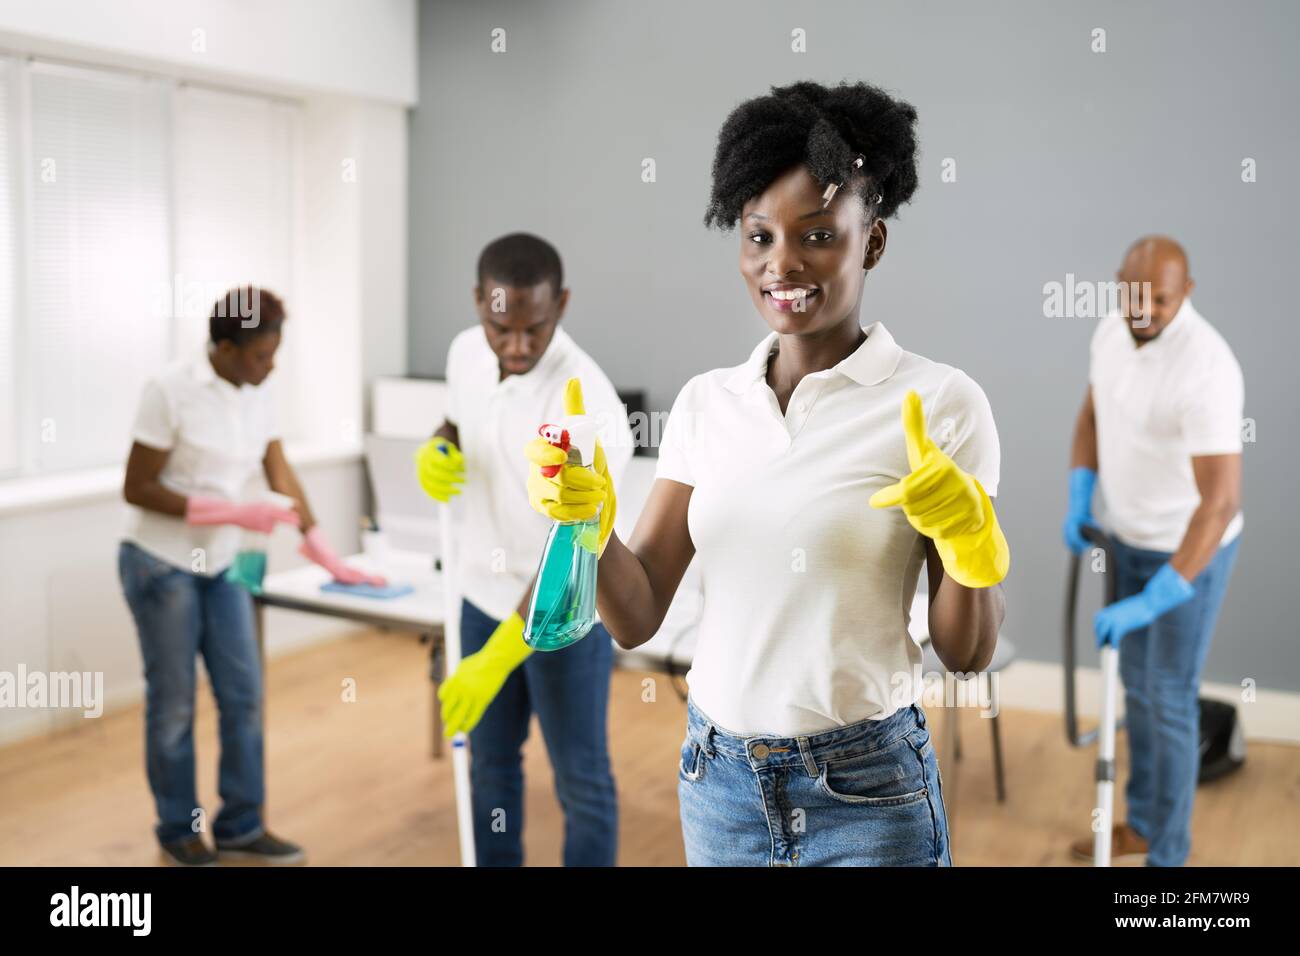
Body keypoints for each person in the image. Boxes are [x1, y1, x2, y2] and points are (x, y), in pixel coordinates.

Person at [525, 81, 1010, 867]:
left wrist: (968, 542)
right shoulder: (705, 404)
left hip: (867, 790)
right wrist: (588, 527)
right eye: (758, 237)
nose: (782, 263)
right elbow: (637, 612)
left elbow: (967, 653)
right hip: (719, 787)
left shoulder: (941, 402)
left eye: (817, 235)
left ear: (872, 242)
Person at [120, 286, 382, 866]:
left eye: (275, 352)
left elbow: (278, 470)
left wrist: (325, 550)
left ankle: (241, 825)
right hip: (161, 564)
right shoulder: (170, 391)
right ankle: (178, 831)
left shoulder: (258, 391)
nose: (272, 364)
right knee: (175, 704)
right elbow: (136, 487)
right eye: (262, 354)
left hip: (225, 563)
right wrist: (236, 511)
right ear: (225, 348)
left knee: (244, 694)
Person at [416, 233, 634, 866]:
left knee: (580, 778)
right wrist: (439, 446)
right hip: (479, 596)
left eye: (532, 331)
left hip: (562, 619)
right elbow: (458, 418)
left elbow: (572, 556)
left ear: (560, 304)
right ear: (480, 302)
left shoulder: (586, 402)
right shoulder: (464, 353)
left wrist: (497, 657)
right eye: (498, 327)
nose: (514, 347)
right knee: (490, 771)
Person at [1065, 237, 1243, 866]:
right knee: (1133, 690)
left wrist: (1164, 593)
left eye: (1161, 300)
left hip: (1187, 551)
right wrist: (1080, 490)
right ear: (1119, 283)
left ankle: (1167, 863)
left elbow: (1217, 504)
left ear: (1186, 293)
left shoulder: (1207, 369)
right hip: (1125, 540)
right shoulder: (1111, 332)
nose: (1144, 311)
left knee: (1166, 696)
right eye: (1134, 295)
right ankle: (1140, 823)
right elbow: (1092, 414)